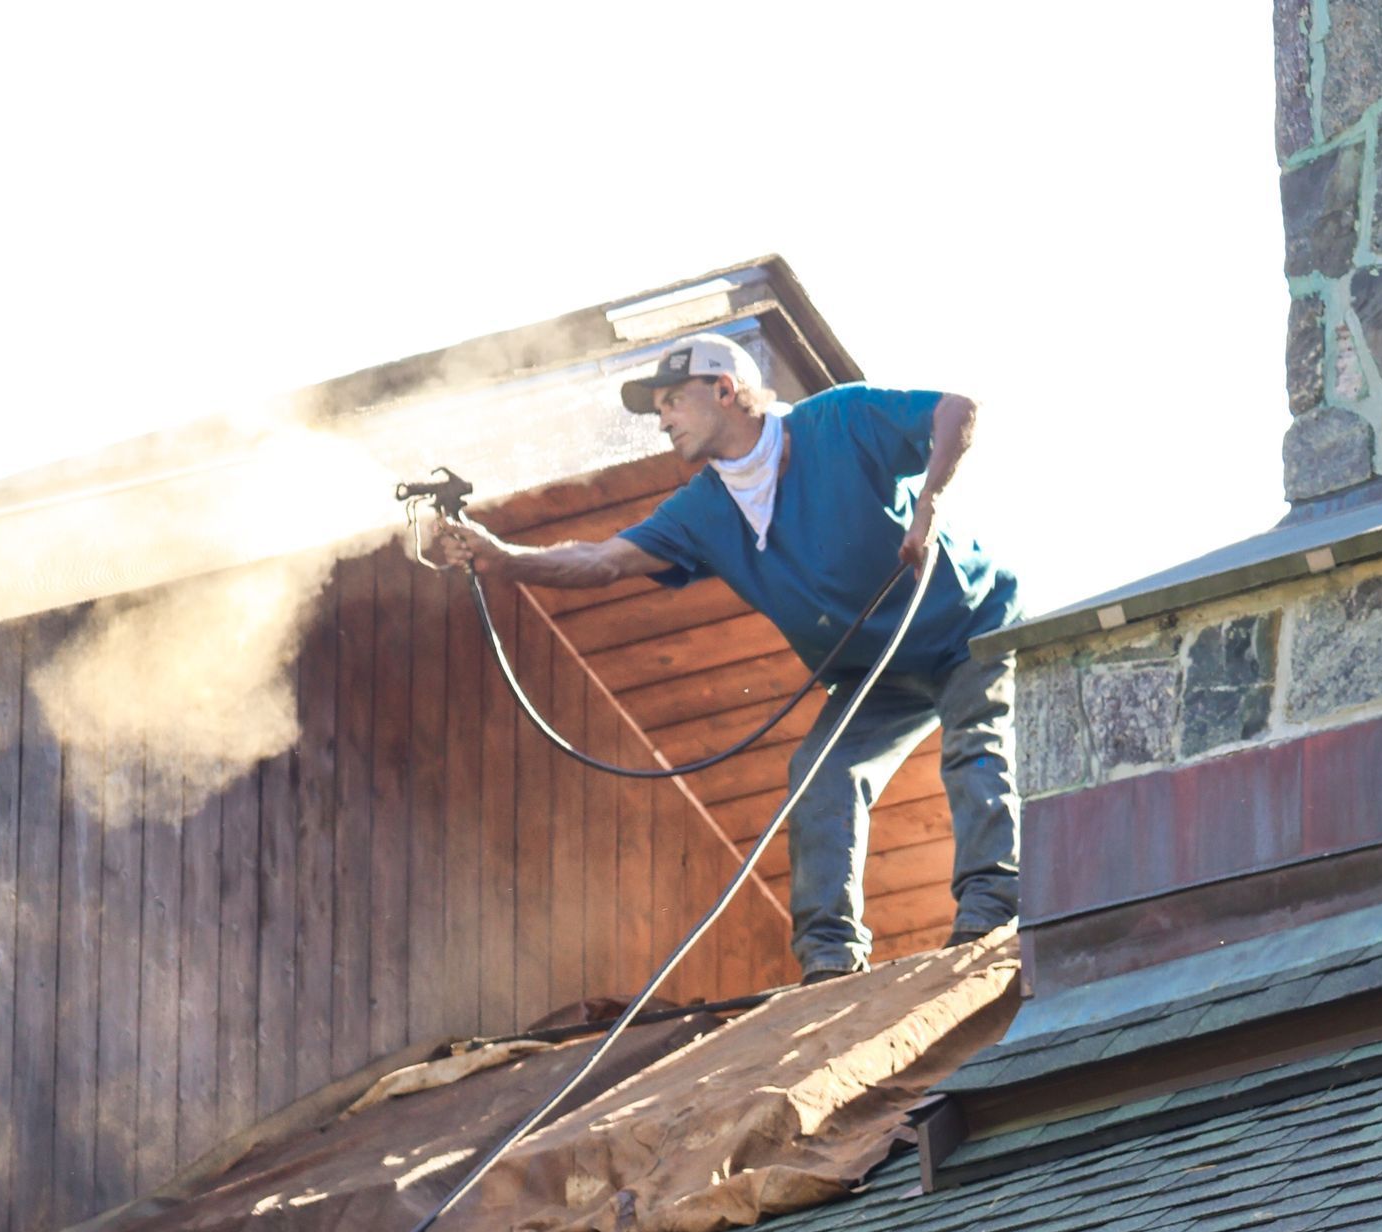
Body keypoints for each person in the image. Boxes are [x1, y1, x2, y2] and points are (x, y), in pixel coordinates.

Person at [432, 333, 1020, 982]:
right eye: (657, 409)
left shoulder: (839, 420)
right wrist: (503, 558)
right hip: (868, 674)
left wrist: (929, 501)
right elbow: (605, 561)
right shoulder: (700, 513)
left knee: (973, 741)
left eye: (673, 402)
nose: (662, 421)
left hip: (964, 624)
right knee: (821, 775)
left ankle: (990, 916)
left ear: (725, 390)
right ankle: (829, 962)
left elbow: (956, 410)